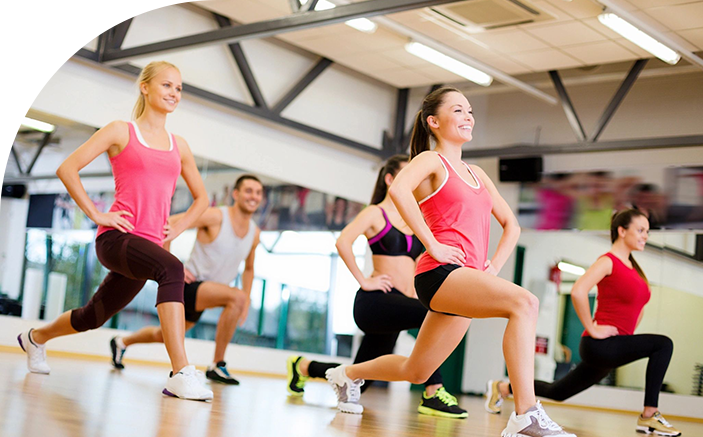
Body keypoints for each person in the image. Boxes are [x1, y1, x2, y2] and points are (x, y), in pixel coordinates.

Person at [323, 87, 575, 437]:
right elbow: (398, 192)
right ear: (434, 121)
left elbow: (512, 225)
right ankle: (526, 414)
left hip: (464, 279)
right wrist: (433, 244)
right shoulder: (431, 161)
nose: (468, 116)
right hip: (439, 273)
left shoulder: (477, 174)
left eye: (470, 110)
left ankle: (346, 374)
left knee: (417, 371)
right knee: (525, 303)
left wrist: (495, 265)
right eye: (458, 110)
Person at [17, 61, 213, 401]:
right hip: (117, 238)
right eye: (167, 85)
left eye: (179, 88)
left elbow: (203, 199)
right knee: (173, 269)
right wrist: (96, 213)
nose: (174, 93)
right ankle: (181, 372)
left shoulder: (178, 145)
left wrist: (178, 225)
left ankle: (35, 337)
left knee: (94, 316)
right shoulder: (121, 131)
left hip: (149, 247)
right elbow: (68, 168)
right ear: (146, 87)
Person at [286, 154, 467, 418]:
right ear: (390, 179)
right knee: (434, 313)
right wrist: (364, 280)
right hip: (376, 302)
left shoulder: (415, 221)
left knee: (362, 376)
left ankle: (303, 367)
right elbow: (343, 242)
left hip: (399, 304)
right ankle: (433, 391)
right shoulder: (375, 213)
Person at [485, 208, 680, 437]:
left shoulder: (635, 270)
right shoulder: (608, 262)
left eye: (647, 231)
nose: (645, 236)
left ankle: (501, 387)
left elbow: (638, 308)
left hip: (613, 345)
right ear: (621, 230)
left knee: (558, 392)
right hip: (599, 345)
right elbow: (578, 291)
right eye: (640, 230)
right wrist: (592, 328)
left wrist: (629, 337)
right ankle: (649, 415)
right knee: (663, 344)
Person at [110, 174, 263, 385]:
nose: (253, 196)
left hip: (208, 293)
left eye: (258, 192)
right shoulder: (216, 217)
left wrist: (247, 300)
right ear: (235, 194)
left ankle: (121, 342)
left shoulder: (254, 233)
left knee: (162, 335)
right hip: (190, 285)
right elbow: (170, 223)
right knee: (236, 297)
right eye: (248, 191)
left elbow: (250, 268)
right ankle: (217, 365)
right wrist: (172, 264)